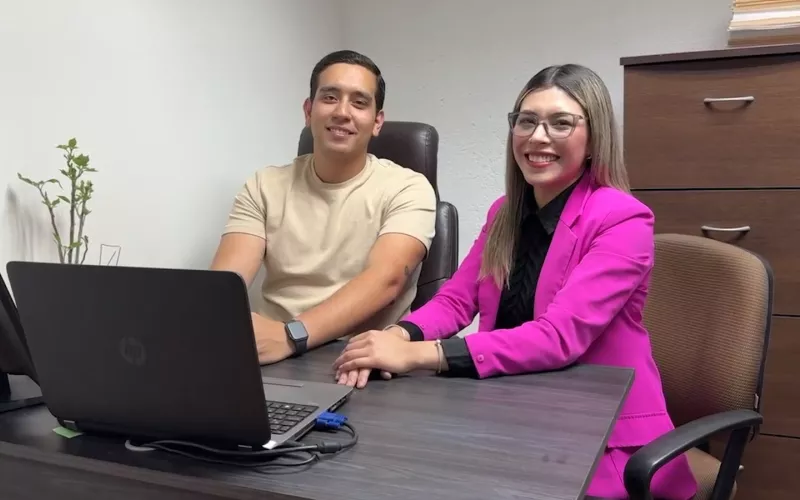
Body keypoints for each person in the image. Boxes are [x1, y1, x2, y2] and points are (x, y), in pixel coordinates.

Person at [332, 64, 698, 499]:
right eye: (527, 121)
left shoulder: (622, 219)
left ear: (594, 138)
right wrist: (396, 335)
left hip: (602, 436)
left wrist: (415, 355)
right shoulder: (504, 212)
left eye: (560, 123)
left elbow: (558, 338)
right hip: (515, 410)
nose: (538, 137)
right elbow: (455, 301)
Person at [211, 50, 436, 365]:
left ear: (377, 122)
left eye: (359, 102)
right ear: (308, 111)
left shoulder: (408, 188)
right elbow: (222, 289)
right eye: (330, 97)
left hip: (359, 360)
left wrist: (292, 336)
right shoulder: (264, 185)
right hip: (272, 354)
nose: (342, 112)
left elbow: (386, 280)